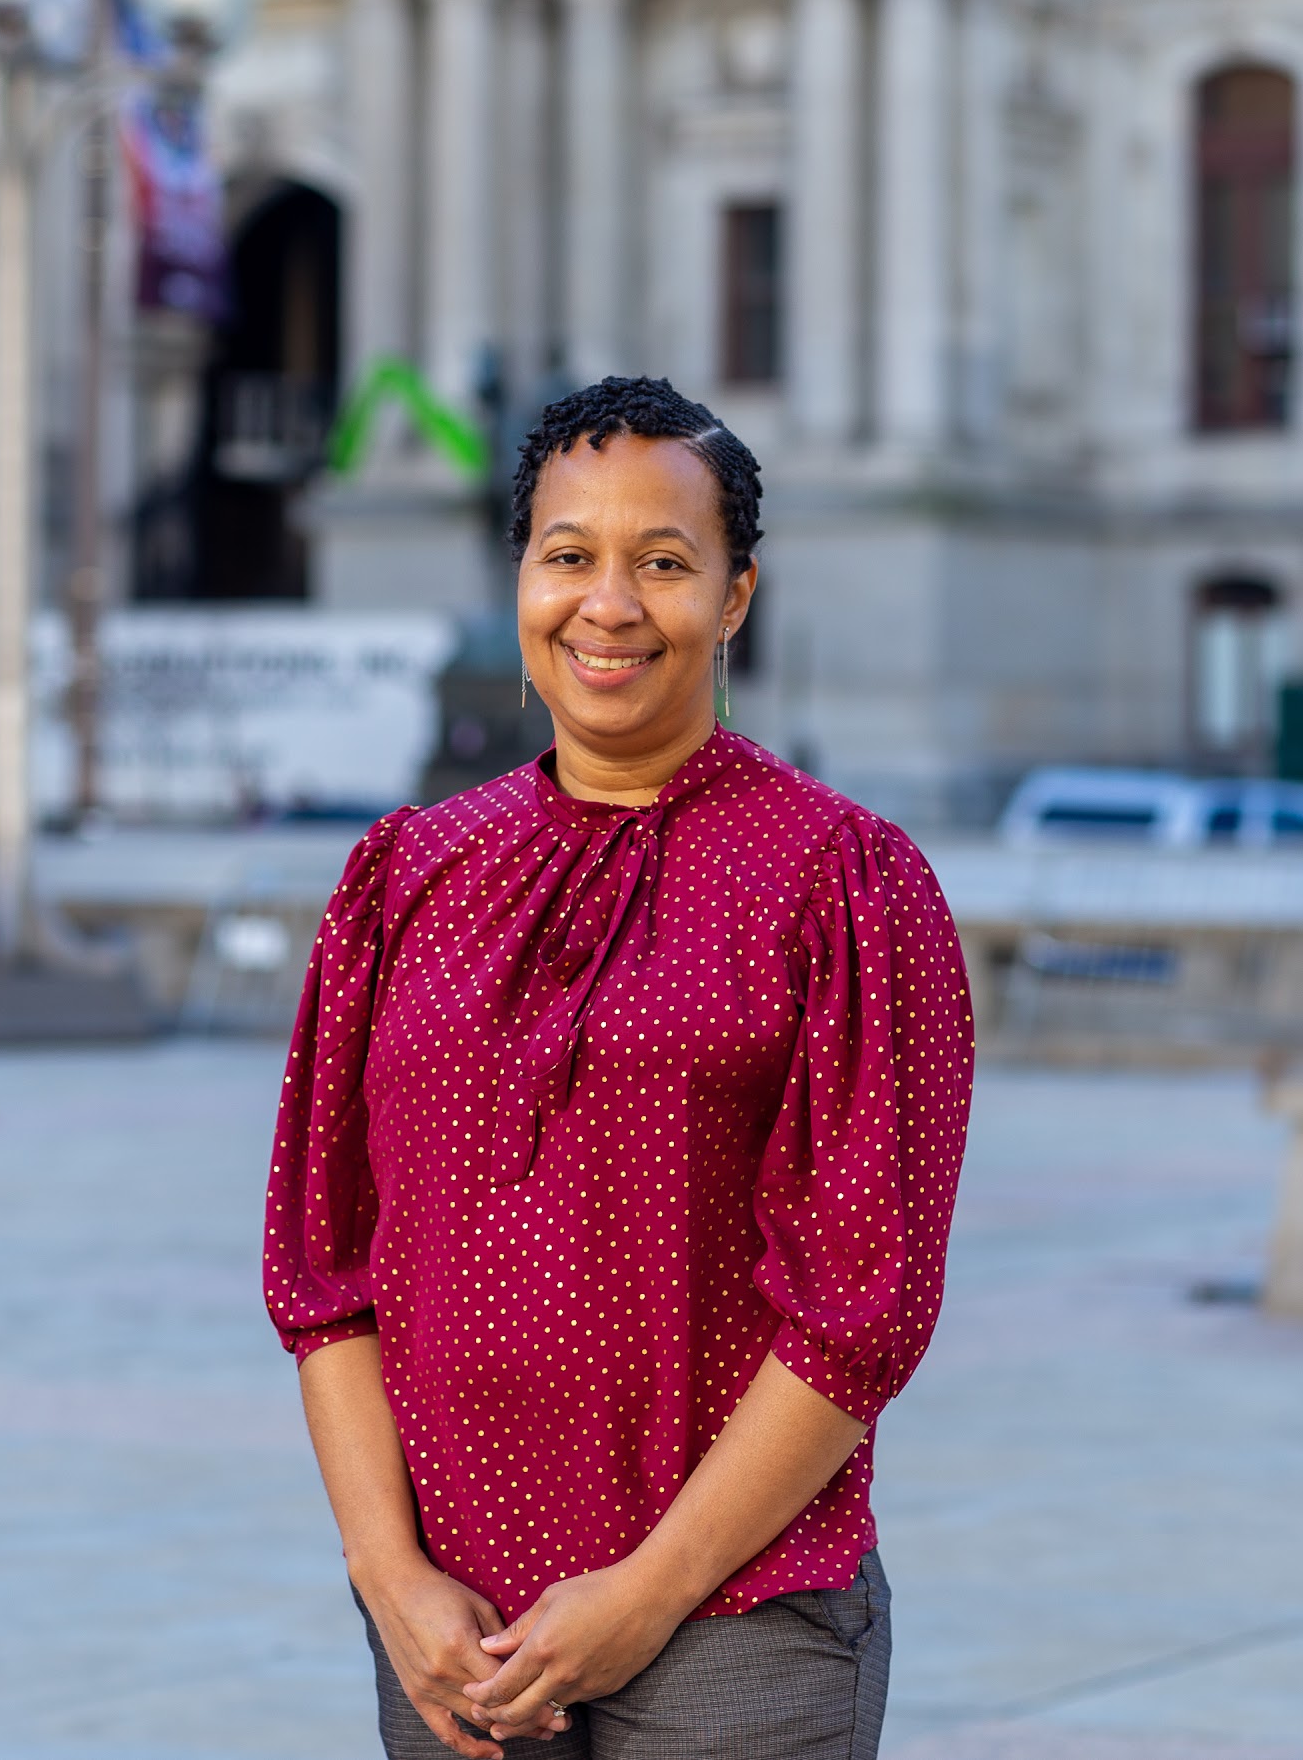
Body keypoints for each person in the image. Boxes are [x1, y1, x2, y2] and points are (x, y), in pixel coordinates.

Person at [264, 375, 974, 1760]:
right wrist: (387, 1573)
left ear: (735, 598)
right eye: (567, 554)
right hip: (452, 1632)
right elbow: (321, 1264)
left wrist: (643, 1596)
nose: (608, 603)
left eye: (663, 562)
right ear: (520, 574)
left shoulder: (843, 883)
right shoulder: (405, 875)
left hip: (734, 1625)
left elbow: (859, 1305)